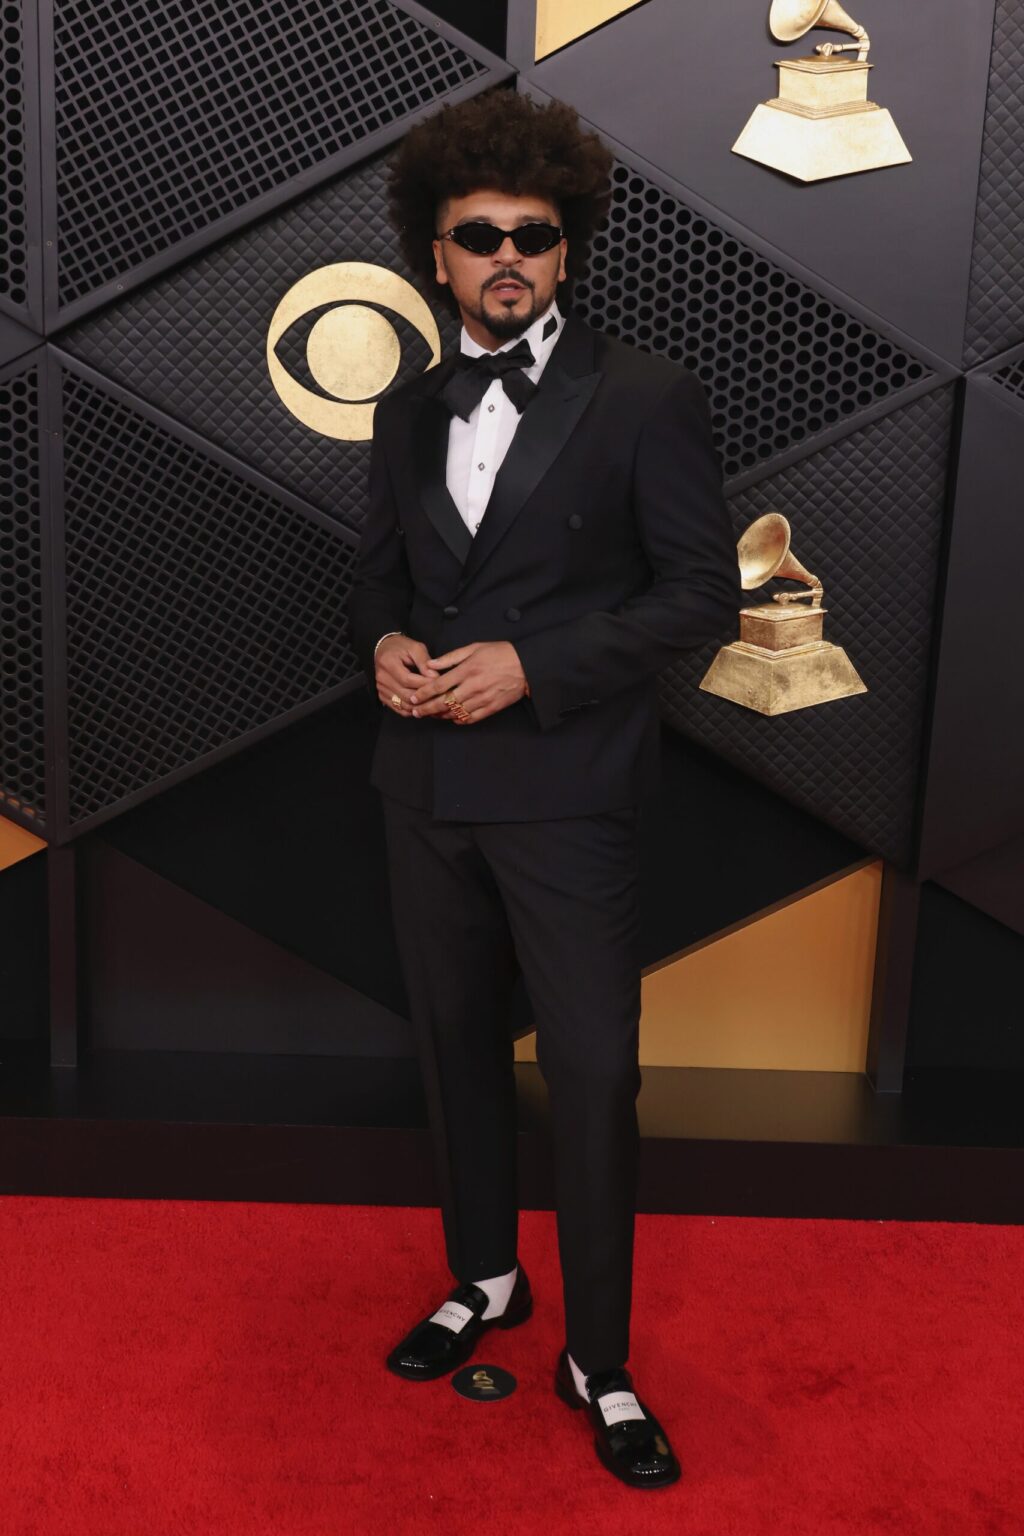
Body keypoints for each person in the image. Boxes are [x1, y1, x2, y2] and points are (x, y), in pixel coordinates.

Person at [344, 87, 741, 1489]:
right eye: (479, 235)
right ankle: (485, 1281)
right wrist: (386, 638)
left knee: (591, 1073)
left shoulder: (644, 396)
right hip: (425, 791)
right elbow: (384, 574)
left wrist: (533, 665)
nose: (508, 254)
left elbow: (701, 592)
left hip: (570, 793)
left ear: (565, 249)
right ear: (433, 256)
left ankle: (602, 1359)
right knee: (452, 1051)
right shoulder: (404, 405)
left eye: (535, 233)